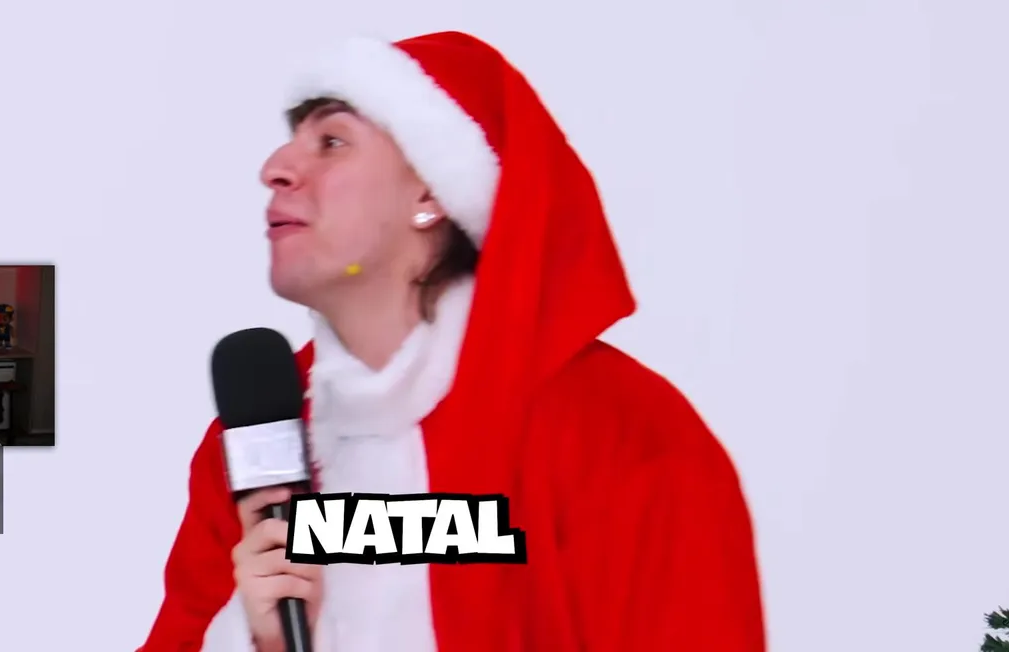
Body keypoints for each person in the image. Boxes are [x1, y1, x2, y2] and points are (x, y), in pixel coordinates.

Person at [141, 32, 765, 651]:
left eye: (332, 142)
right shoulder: (258, 446)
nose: (275, 168)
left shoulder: (619, 434)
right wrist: (258, 643)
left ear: (430, 192)